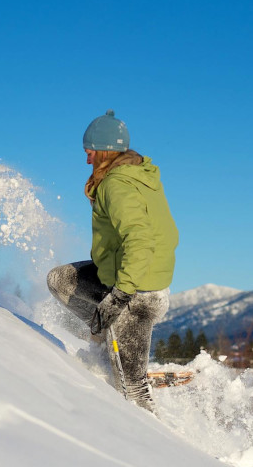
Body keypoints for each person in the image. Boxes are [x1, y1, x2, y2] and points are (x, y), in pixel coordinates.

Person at [46, 110, 178, 414]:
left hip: (137, 294)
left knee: (132, 395)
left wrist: (121, 296)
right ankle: (109, 344)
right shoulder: (135, 177)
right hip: (123, 278)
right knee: (61, 280)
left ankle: (157, 443)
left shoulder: (117, 185)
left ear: (104, 151)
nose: (87, 160)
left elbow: (141, 240)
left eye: (90, 152)